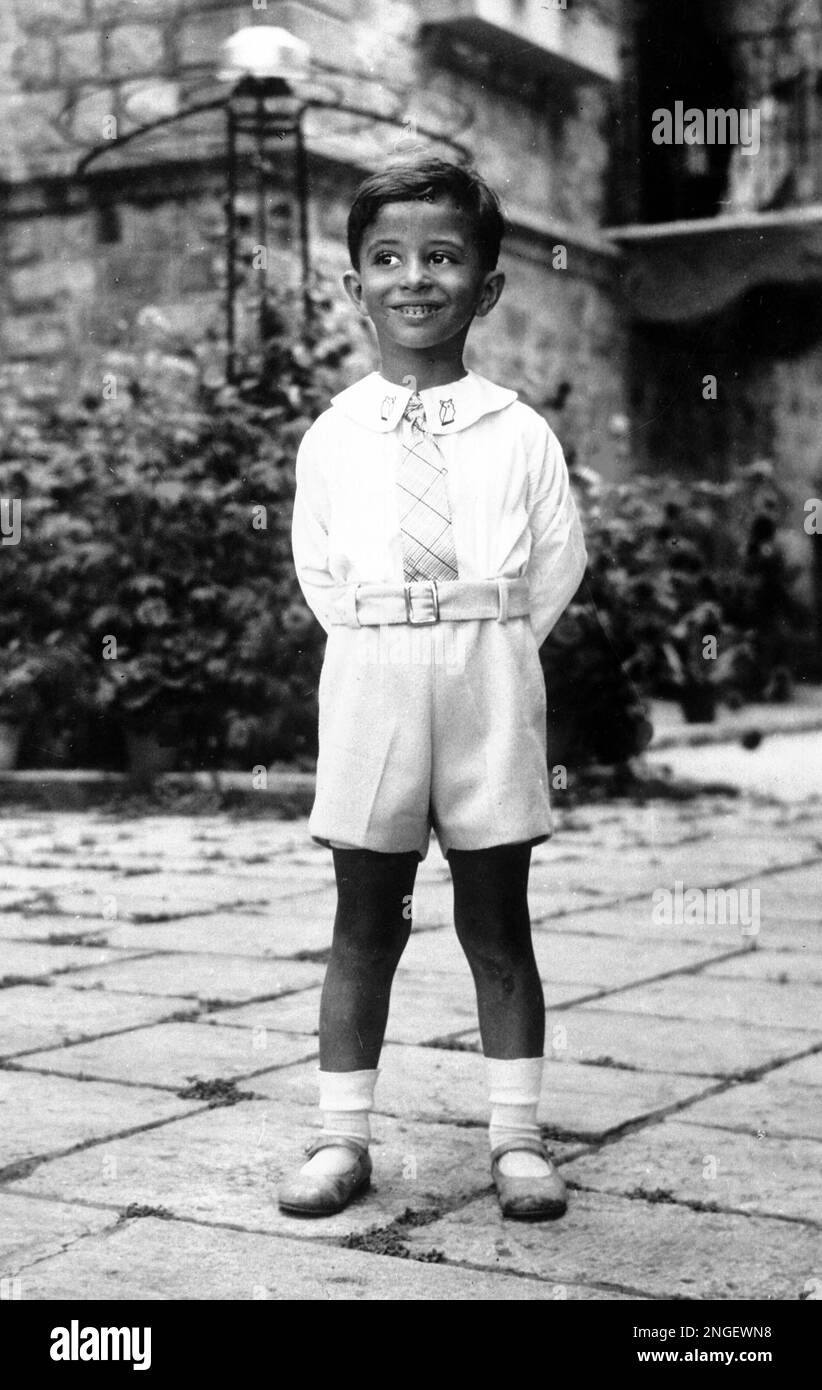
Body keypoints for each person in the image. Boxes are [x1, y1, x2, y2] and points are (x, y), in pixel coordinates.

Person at [280, 158, 587, 1220]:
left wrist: (484, 645)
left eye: (445, 257)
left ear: (488, 286)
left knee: (498, 918)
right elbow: (320, 569)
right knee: (366, 917)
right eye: (389, 259)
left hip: (486, 679)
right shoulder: (335, 433)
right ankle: (340, 1135)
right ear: (357, 286)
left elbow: (554, 566)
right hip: (372, 679)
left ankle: (518, 1138)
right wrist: (387, 644)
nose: (417, 278)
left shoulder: (517, 431)